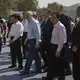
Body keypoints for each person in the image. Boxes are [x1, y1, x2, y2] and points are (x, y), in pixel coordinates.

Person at [42, 12, 67, 80]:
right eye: (51, 18)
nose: (52, 19)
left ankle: (61, 78)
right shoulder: (54, 25)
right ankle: (50, 76)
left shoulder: (60, 26)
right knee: (52, 63)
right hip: (53, 46)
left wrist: (58, 50)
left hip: (59, 47)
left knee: (60, 65)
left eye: (54, 18)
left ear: (58, 18)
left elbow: (62, 40)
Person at [59, 4, 72, 75]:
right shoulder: (54, 17)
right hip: (57, 40)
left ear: (62, 9)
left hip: (64, 40)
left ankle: (68, 69)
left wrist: (69, 40)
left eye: (59, 8)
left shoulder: (65, 17)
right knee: (60, 56)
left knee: (64, 55)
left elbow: (68, 29)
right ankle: (63, 69)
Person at [72, 5, 80, 80]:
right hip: (75, 48)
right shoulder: (77, 20)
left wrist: (77, 45)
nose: (76, 12)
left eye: (78, 11)